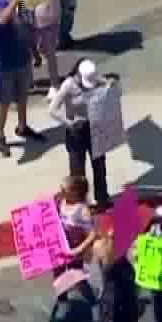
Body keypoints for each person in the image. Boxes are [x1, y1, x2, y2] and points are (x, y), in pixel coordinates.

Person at [0, 0, 43, 156]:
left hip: (22, 59)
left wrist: (34, 52)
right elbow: (1, 21)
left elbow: (28, 29)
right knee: (4, 101)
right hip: (5, 62)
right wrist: (15, 2)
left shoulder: (24, 4)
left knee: (22, 95)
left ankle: (22, 126)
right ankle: (0, 135)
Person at [48, 59, 115, 211]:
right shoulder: (68, 85)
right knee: (77, 171)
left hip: (94, 128)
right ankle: (80, 203)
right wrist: (68, 123)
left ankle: (102, 198)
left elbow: (107, 86)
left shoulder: (94, 77)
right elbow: (52, 110)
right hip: (75, 130)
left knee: (99, 166)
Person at [87, 221, 138, 322]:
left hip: (127, 301)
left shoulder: (125, 254)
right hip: (112, 304)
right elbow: (104, 262)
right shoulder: (107, 253)